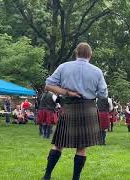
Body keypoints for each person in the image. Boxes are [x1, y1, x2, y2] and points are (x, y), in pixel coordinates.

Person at [42, 42, 107, 180]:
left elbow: (48, 85)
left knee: (58, 144)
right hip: (88, 108)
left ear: (76, 53)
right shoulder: (97, 71)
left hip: (69, 107)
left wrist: (66, 92)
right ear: (90, 55)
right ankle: (75, 178)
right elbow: (103, 94)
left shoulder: (64, 67)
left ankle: (47, 176)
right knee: (82, 147)